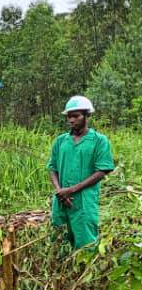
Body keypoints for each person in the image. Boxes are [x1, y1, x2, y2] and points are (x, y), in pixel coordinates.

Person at [47, 96, 114, 250]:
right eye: (69, 116)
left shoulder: (99, 141)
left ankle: (84, 273)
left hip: (84, 201)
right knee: (60, 242)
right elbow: (52, 168)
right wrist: (59, 191)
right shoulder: (60, 141)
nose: (71, 120)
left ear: (87, 115)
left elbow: (102, 171)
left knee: (86, 245)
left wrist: (71, 190)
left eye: (76, 116)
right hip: (61, 201)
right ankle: (63, 274)